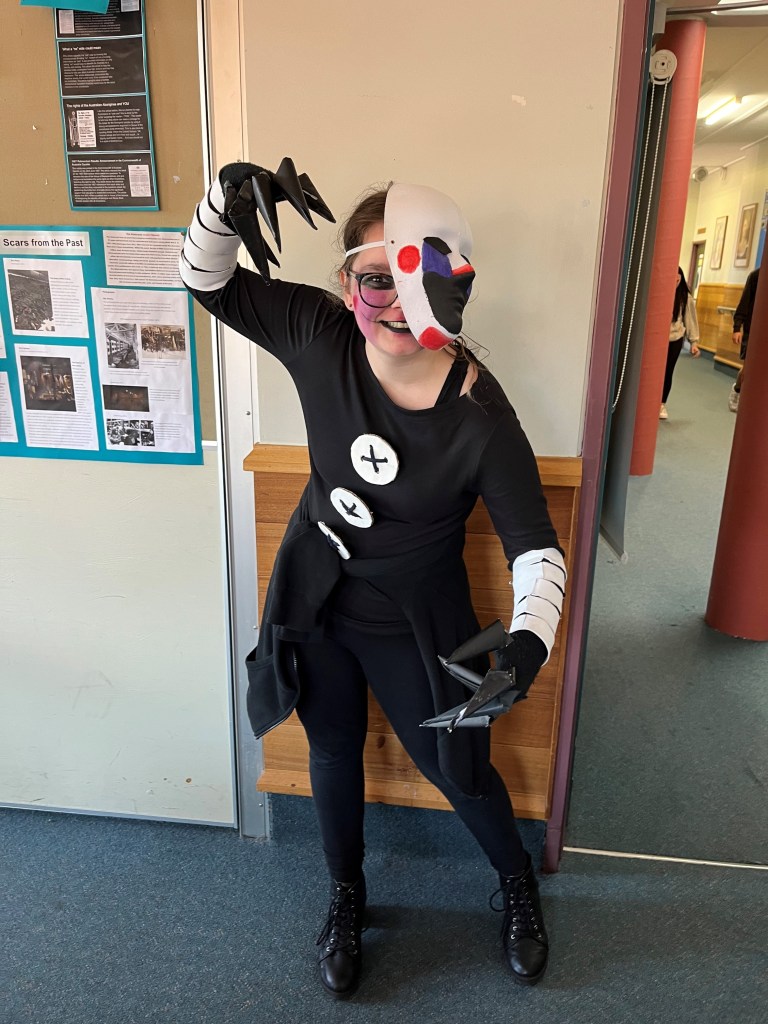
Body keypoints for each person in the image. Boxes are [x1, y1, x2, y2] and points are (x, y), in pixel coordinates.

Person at [179, 160, 566, 997]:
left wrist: (528, 644)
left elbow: (536, 548)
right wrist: (218, 204)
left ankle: (517, 884)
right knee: (329, 747)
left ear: (456, 280)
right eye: (374, 277)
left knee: (460, 767)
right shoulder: (320, 335)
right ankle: (346, 894)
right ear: (347, 283)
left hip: (422, 620)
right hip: (317, 598)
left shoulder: (482, 418)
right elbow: (207, 282)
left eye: (416, 275)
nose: (393, 301)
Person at [660, 266, 700, 420]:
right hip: (659, 340)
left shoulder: (685, 297)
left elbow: (690, 320)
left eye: (678, 280)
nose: (675, 283)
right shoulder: (661, 294)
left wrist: (694, 342)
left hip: (675, 339)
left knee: (668, 371)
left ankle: (661, 403)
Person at [729, 266, 760, 413]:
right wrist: (737, 328)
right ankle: (737, 389)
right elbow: (744, 303)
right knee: (747, 368)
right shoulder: (756, 276)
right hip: (753, 329)